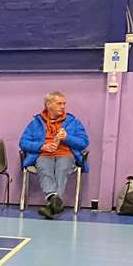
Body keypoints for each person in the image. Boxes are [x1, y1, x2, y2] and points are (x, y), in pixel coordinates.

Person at [19, 90, 88, 219]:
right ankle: (54, 201)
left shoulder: (73, 122)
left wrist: (67, 137)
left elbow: (84, 142)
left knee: (61, 170)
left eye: (64, 104)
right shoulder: (36, 123)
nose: (63, 107)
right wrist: (42, 146)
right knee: (45, 169)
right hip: (44, 154)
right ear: (48, 104)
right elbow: (23, 143)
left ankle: (52, 203)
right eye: (59, 103)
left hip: (66, 154)